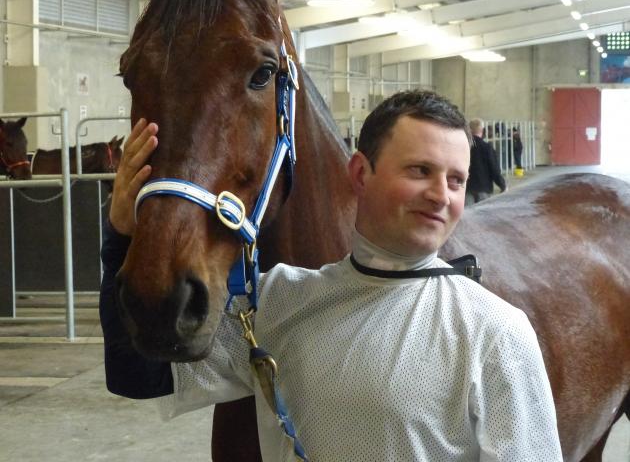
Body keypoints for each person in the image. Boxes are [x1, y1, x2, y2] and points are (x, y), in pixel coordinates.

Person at [100, 91, 563, 461]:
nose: (441, 195)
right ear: (361, 173)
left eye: (456, 180)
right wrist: (120, 236)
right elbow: (137, 375)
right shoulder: (276, 301)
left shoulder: (495, 330)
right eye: (420, 171)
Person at [466, 118, 506, 205]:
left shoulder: (464, 147)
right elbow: (494, 169)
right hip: (483, 188)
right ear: (483, 130)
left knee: (467, 216)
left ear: (469, 130)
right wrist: (502, 185)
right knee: (482, 215)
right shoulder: (487, 148)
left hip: (467, 188)